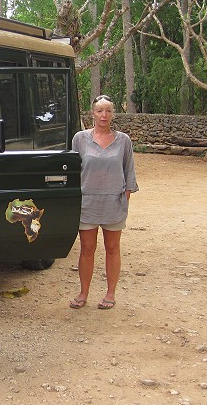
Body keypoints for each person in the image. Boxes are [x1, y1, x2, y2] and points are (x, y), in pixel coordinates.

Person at [69, 94, 138, 310]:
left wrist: (125, 198)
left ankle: (110, 294)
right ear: (93, 113)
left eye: (108, 111)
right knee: (87, 249)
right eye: (100, 111)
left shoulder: (123, 140)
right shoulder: (80, 139)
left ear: (113, 114)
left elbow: (129, 172)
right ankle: (83, 293)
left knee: (112, 248)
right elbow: (73, 171)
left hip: (113, 203)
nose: (104, 115)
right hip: (87, 203)